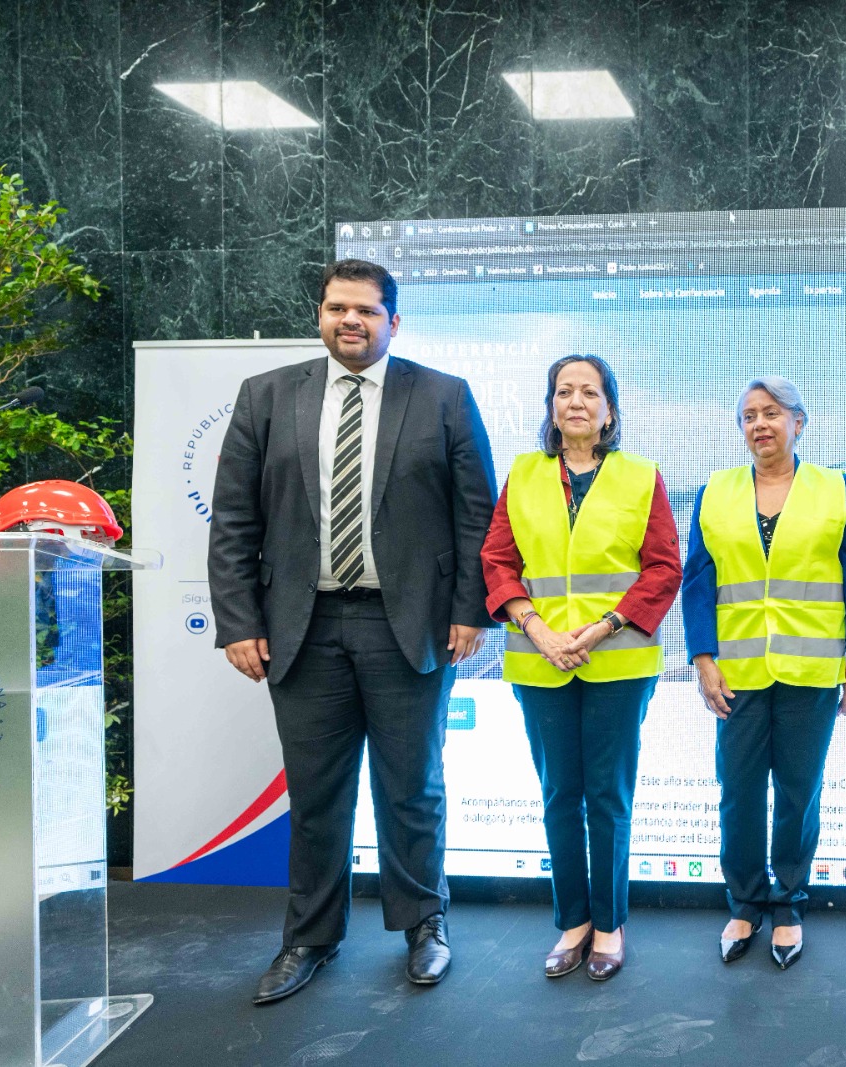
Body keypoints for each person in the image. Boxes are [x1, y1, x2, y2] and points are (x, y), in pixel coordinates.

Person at [208, 259, 497, 1004]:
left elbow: (477, 516)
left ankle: (424, 925)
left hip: (409, 625)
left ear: (393, 322)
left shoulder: (443, 396)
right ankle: (309, 937)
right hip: (301, 627)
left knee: (412, 789)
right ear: (320, 314)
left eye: (366, 310)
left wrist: (470, 610)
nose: (351, 321)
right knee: (315, 795)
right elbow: (234, 517)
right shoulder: (267, 396)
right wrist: (238, 619)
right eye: (338, 307)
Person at [479, 354, 681, 982]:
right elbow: (497, 560)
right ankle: (572, 921)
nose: (576, 401)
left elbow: (663, 567)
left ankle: (610, 924)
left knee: (608, 796)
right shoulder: (523, 474)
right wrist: (536, 629)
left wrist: (602, 627)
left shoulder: (641, 476)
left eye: (590, 392)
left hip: (617, 660)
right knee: (560, 796)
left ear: (609, 410)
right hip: (540, 661)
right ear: (550, 407)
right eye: (564, 391)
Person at [682, 376, 846, 969]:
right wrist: (703, 659)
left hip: (811, 667)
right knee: (738, 791)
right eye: (749, 416)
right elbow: (699, 581)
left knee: (798, 792)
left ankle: (789, 903)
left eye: (771, 413)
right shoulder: (714, 492)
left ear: (799, 423)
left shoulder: (838, 488)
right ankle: (744, 902)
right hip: (736, 671)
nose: (759, 424)